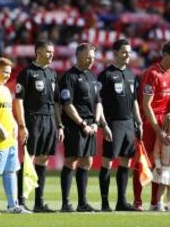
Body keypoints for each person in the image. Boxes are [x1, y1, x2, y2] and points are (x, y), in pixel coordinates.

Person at [15, 39, 63, 212]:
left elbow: (57, 102)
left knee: (44, 159)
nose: (52, 55)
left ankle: (39, 203)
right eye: (48, 51)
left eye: (52, 51)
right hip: (33, 119)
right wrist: (22, 125)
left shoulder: (52, 74)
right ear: (39, 52)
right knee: (29, 159)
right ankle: (20, 202)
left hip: (49, 120)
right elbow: (18, 101)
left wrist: (59, 125)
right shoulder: (27, 73)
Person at [134, 41, 170, 211]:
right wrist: (157, 129)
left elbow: (169, 98)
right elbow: (146, 104)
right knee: (143, 162)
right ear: (165, 55)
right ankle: (137, 201)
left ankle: (155, 202)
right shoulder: (152, 73)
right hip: (149, 121)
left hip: (165, 121)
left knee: (161, 162)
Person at [0, 58, 31, 214]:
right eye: (4, 72)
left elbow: (7, 112)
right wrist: (2, 129)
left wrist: (15, 125)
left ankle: (12, 205)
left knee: (11, 171)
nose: (7, 75)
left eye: (9, 72)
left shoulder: (4, 89)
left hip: (10, 138)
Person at [97, 39, 142, 212]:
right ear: (115, 53)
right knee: (107, 163)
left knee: (126, 162)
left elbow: (135, 101)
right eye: (124, 52)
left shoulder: (131, 74)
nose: (127, 55)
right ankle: (105, 202)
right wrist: (103, 124)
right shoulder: (105, 75)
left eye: (129, 52)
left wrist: (138, 121)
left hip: (129, 124)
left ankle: (121, 202)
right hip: (113, 123)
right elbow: (98, 101)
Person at [59, 43, 102, 212]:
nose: (91, 60)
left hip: (91, 125)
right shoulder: (69, 77)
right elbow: (67, 104)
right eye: (88, 57)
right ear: (78, 56)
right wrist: (82, 124)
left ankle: (82, 203)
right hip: (75, 124)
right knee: (72, 160)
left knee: (87, 161)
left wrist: (96, 123)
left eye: (93, 57)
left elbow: (99, 102)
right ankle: (65, 203)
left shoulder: (92, 76)